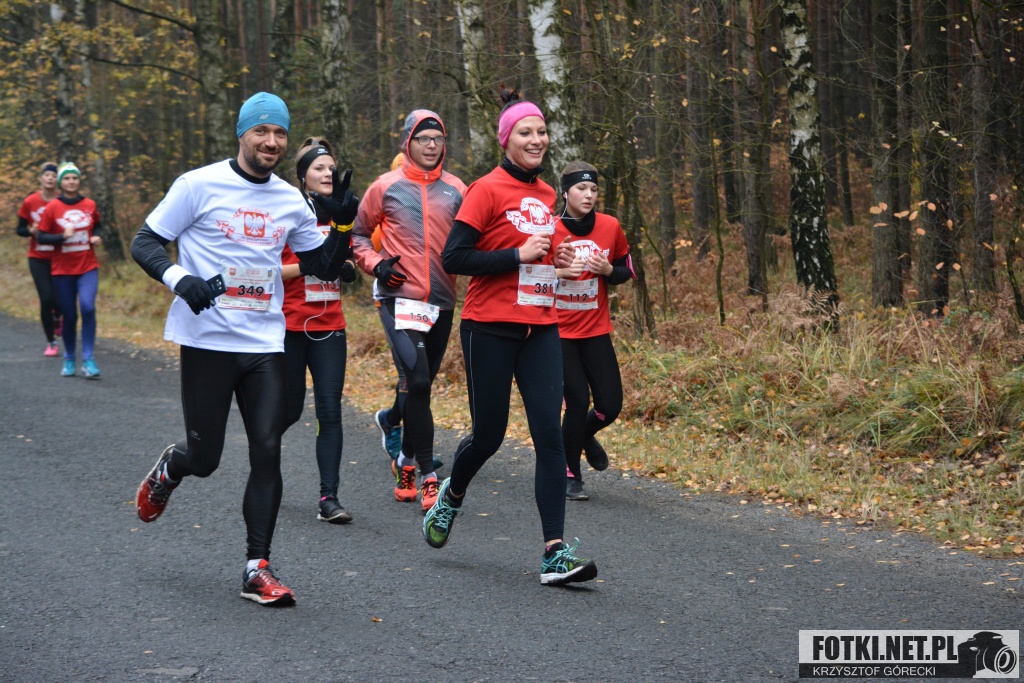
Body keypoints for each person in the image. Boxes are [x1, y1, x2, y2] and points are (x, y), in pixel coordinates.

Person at [129, 92, 358, 606]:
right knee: (205, 458)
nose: (271, 141)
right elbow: (145, 241)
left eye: (279, 133)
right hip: (207, 340)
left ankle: (257, 567)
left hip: (264, 343)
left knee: (268, 448)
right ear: (242, 134)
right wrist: (180, 279)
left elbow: (323, 267)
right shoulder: (198, 184)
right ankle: (172, 467)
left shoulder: (289, 200)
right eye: (261, 131)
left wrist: (343, 226)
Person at [425, 88, 599, 586]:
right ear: (506, 139)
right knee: (489, 435)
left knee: (550, 436)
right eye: (526, 132)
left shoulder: (547, 195)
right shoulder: (485, 190)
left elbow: (541, 258)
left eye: (542, 131)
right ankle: (452, 495)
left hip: (541, 326)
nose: (536, 139)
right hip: (489, 327)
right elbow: (455, 257)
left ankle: (553, 554)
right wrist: (515, 256)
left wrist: (558, 262)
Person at [352, 110, 466, 511]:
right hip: (398, 298)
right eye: (423, 139)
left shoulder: (457, 189)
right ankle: (426, 475)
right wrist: (377, 265)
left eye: (437, 138)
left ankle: (403, 454)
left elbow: (477, 237)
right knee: (417, 379)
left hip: (442, 302)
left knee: (423, 385)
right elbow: (358, 236)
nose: (431, 145)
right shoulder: (385, 187)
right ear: (408, 143)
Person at [280, 137, 358, 524]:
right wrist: (311, 265)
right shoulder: (287, 212)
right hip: (290, 325)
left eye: (331, 167)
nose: (328, 173)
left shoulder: (341, 212)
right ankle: (265, 467)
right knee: (289, 410)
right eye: (319, 168)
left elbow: (353, 260)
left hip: (329, 326)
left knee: (330, 411)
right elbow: (269, 272)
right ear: (303, 176)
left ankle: (329, 498)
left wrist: (347, 268)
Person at [552, 162, 634, 501]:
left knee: (610, 406)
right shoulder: (550, 229)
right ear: (565, 192)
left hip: (595, 330)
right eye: (581, 189)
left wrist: (608, 270)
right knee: (576, 400)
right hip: (557, 334)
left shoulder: (610, 226)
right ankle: (570, 474)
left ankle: (583, 435)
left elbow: (627, 270)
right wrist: (559, 273)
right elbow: (528, 278)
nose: (588, 195)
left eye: (594, 189)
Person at [35, 163, 103, 378]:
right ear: (60, 182)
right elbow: (41, 236)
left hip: (87, 267)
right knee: (70, 315)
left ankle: (89, 359)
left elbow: (97, 224)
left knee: (88, 307)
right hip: (62, 270)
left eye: (74, 178)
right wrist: (61, 236)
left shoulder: (89, 204)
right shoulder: (53, 207)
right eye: (67, 178)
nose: (71, 182)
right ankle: (69, 358)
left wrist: (96, 236)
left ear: (79, 180)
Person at [16, 162, 62, 357]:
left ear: (57, 180)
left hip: (61, 257)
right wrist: (30, 231)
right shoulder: (30, 201)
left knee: (61, 299)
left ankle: (58, 317)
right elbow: (19, 229)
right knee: (46, 298)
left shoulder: (62, 200)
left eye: (53, 175)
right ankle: (51, 342)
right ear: (41, 178)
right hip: (38, 258)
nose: (50, 178)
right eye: (47, 175)